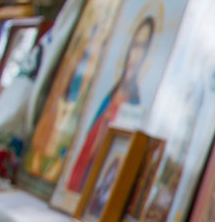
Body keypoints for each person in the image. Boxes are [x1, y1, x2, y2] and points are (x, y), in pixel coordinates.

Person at [65, 14, 157, 195]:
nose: (135, 56)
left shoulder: (135, 104)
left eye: (142, 48)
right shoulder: (109, 96)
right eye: (134, 45)